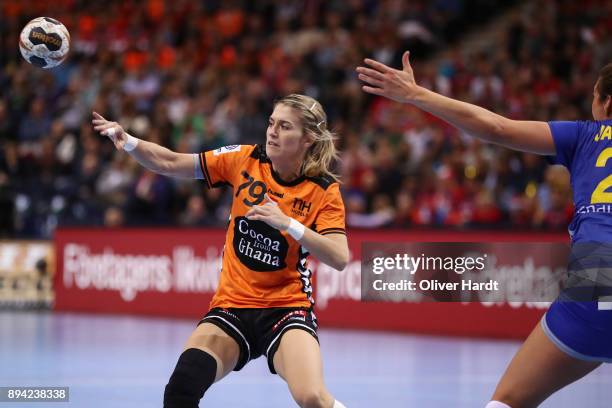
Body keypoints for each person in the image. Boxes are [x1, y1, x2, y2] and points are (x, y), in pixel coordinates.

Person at [357, 54, 612, 407]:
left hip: (597, 277)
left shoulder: (588, 135)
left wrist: (416, 94)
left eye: (594, 98)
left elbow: (496, 127)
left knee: (507, 400)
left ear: (606, 102)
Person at [92, 94, 349, 408]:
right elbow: (171, 162)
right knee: (180, 389)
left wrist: (288, 224)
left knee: (311, 397)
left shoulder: (323, 190)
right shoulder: (244, 159)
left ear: (308, 139)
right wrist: (129, 141)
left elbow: (339, 257)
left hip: (286, 310)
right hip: (232, 306)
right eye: (271, 123)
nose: (272, 132)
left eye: (284, 127)